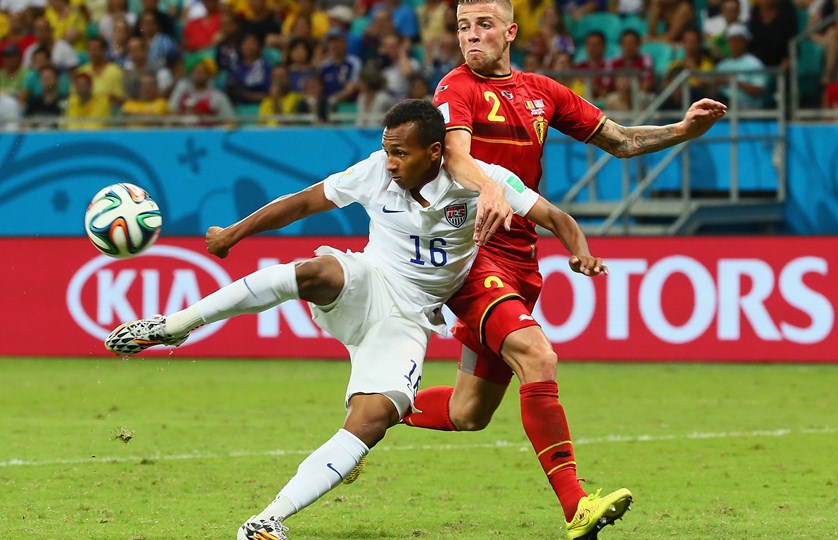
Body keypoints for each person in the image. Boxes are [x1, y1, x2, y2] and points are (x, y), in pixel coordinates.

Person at [102, 98, 607, 540]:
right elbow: (302, 202)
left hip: (407, 320)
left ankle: (266, 520)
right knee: (316, 271)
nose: (390, 162)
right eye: (387, 150)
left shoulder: (486, 182)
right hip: (368, 280)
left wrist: (580, 251)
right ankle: (172, 327)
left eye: (401, 153)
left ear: (435, 151)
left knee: (372, 420)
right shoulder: (374, 172)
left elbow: (557, 219)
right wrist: (235, 233)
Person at [401, 2, 726, 539]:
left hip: (521, 258)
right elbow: (456, 155)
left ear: (511, 31)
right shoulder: (455, 87)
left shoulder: (542, 92)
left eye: (483, 25)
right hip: (471, 252)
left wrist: (684, 130)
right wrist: (489, 188)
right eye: (462, 27)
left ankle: (378, 407)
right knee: (538, 355)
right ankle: (577, 505)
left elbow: (621, 141)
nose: (470, 36)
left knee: (468, 412)